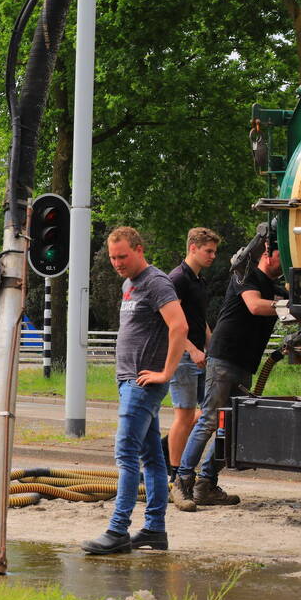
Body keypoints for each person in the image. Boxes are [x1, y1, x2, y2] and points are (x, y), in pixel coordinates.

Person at [82, 227, 187, 555]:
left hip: (142, 385)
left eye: (123, 257)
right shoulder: (128, 284)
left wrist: (166, 373)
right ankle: (155, 529)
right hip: (128, 381)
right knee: (152, 459)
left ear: (139, 249)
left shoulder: (156, 282)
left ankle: (117, 530)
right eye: (113, 258)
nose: (117, 263)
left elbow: (179, 326)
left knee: (126, 454)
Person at [171, 238, 282, 512]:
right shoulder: (245, 276)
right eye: (284, 253)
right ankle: (181, 482)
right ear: (267, 253)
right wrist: (287, 307)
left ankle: (206, 484)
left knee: (231, 427)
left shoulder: (274, 288)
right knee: (209, 420)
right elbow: (254, 306)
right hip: (224, 358)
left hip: (244, 363)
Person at [165, 228, 220, 481]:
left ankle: (166, 453)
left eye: (214, 252)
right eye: (208, 251)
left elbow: (199, 319)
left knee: (206, 412)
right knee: (185, 415)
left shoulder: (199, 281)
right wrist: (191, 349)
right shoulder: (177, 279)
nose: (213, 256)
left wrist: (211, 346)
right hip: (183, 356)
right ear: (193, 248)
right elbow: (169, 321)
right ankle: (176, 473)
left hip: (199, 356)